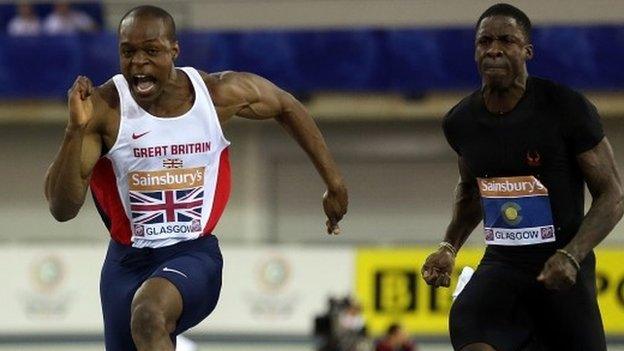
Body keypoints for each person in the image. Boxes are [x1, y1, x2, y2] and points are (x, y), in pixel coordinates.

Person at [44, 5, 348, 351]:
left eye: (151, 51)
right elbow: (61, 208)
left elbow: (286, 105)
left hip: (192, 254)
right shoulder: (105, 109)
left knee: (148, 315)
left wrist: (334, 183)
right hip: (125, 264)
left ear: (174, 50)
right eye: (127, 52)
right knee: (143, 324)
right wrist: (74, 130)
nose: (138, 62)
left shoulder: (214, 95)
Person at [420, 3, 623, 351]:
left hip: (561, 270)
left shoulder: (566, 108)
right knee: (468, 323)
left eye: (506, 40)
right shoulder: (461, 122)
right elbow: (470, 192)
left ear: (527, 50)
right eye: (484, 42)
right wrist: (448, 246)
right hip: (502, 265)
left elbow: (612, 195)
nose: (493, 49)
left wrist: (572, 255)